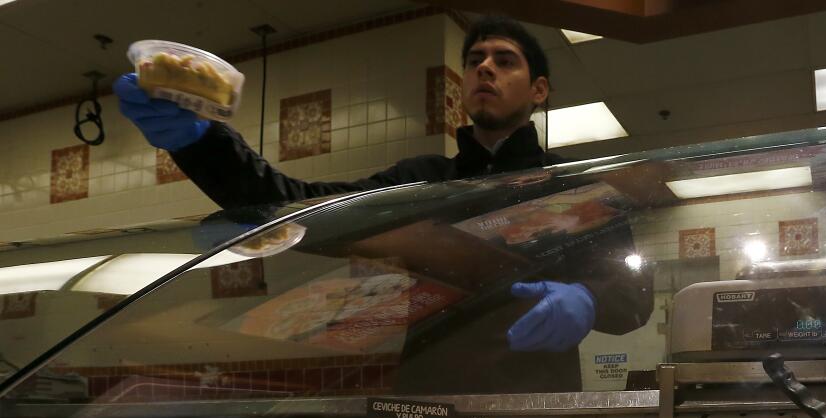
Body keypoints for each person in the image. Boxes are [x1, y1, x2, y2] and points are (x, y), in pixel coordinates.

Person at [115, 15, 651, 393]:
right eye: (475, 60)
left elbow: (633, 298)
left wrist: (586, 298)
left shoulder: (575, 187)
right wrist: (201, 141)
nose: (485, 68)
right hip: (423, 407)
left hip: (537, 406)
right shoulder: (420, 182)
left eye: (504, 61)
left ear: (538, 90)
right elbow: (294, 206)